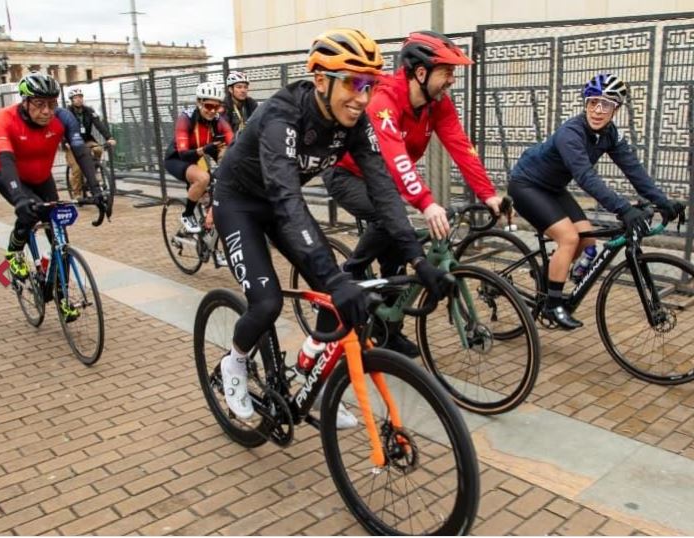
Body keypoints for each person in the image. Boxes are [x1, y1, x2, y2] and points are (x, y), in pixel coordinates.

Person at [212, 28, 451, 424]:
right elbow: (288, 200)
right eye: (354, 83)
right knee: (268, 302)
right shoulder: (281, 116)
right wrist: (336, 281)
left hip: (278, 203)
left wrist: (418, 259)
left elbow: (383, 193)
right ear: (321, 80)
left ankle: (312, 379)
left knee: (331, 293)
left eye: (370, 85)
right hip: (239, 203)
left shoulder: (355, 122)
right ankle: (234, 364)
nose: (362, 97)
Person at [325, 30, 504, 356]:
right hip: (347, 174)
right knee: (388, 217)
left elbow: (462, 147)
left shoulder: (439, 105)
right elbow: (395, 157)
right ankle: (344, 277)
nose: (451, 80)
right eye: (446, 72)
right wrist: (425, 202)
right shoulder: (383, 100)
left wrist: (488, 193)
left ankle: (388, 332)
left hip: (386, 182)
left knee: (396, 262)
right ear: (420, 72)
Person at [508, 73, 685, 330]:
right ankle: (552, 305)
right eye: (593, 103)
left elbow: (633, 169)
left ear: (616, 109)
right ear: (586, 104)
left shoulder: (609, 134)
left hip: (553, 188)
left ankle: (548, 279)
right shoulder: (571, 133)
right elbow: (585, 177)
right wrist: (623, 208)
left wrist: (663, 201)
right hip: (526, 186)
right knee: (569, 238)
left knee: (587, 239)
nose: (598, 110)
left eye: (607, 104)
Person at [0, 73, 107, 314]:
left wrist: (97, 191)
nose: (47, 111)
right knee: (29, 212)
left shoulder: (63, 118)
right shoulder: (3, 118)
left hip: (42, 178)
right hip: (8, 175)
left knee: (59, 238)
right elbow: (6, 159)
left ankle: (63, 299)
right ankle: (13, 252)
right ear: (25, 102)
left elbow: (81, 152)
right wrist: (19, 198)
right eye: (40, 104)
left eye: (52, 104)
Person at [164, 82, 233, 233]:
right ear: (199, 102)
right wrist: (205, 149)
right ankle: (187, 214)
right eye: (208, 106)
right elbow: (183, 153)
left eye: (216, 107)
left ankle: (209, 243)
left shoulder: (217, 120)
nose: (212, 111)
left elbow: (234, 144)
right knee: (203, 178)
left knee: (216, 196)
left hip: (198, 159)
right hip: (177, 159)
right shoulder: (186, 118)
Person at [64, 87, 116, 199]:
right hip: (72, 142)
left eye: (80, 97)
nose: (79, 99)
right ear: (71, 100)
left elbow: (99, 124)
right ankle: (76, 193)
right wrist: (65, 142)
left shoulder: (89, 111)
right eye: (76, 98)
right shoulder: (67, 112)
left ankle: (92, 170)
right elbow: (61, 128)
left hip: (87, 140)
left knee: (98, 149)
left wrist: (109, 137)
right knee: (77, 169)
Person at [222, 71, 258, 136]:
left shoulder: (251, 104)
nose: (243, 90)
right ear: (230, 89)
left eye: (245, 87)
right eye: (239, 87)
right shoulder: (225, 106)